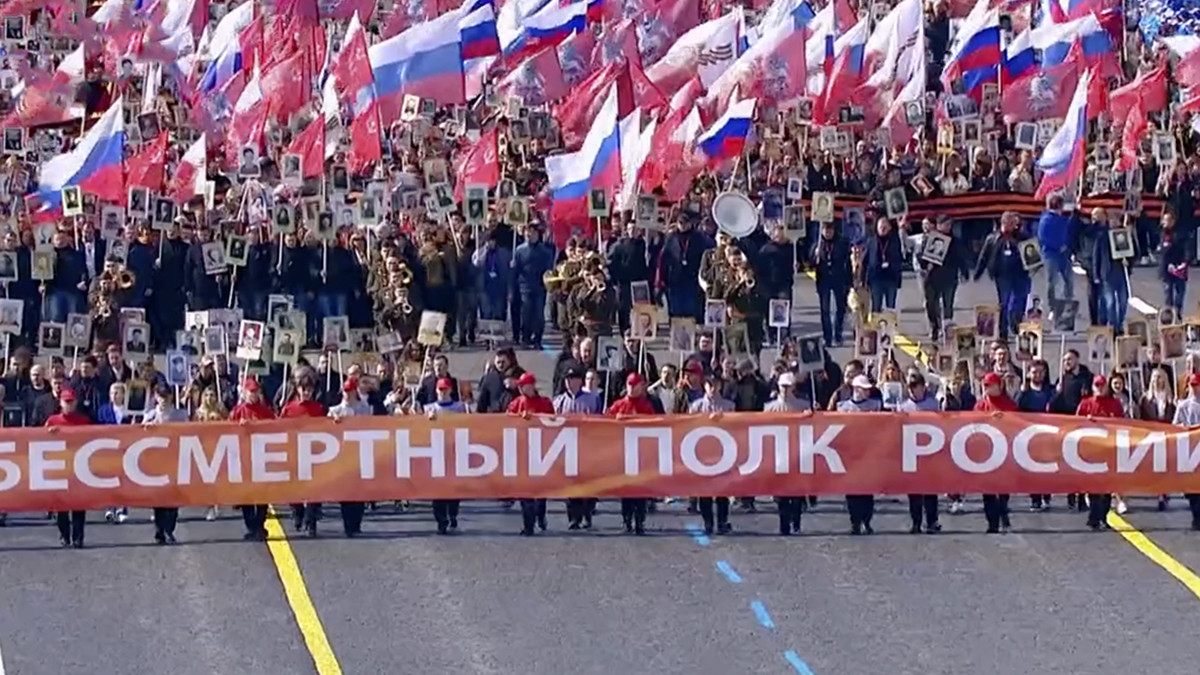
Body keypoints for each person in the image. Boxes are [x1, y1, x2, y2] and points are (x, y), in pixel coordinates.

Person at [553, 367, 602, 529]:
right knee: (570, 483)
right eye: (567, 379)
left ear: (580, 381)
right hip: (567, 447)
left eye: (573, 379)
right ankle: (573, 517)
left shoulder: (592, 399)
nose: (569, 382)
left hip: (587, 446)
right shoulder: (559, 401)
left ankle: (587, 513)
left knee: (588, 483)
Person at [607, 373, 657, 534]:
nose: (632, 388)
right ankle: (627, 520)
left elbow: (655, 425)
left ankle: (640, 521)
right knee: (626, 489)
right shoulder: (619, 405)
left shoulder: (646, 406)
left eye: (635, 385)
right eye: (630, 385)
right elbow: (604, 423)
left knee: (640, 490)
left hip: (641, 454)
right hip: (624, 453)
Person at [506, 373, 554, 535]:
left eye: (524, 385)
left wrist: (534, 419)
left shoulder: (545, 403)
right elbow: (505, 422)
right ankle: (528, 525)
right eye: (519, 385)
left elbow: (552, 421)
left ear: (532, 386)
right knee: (525, 491)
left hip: (541, 451)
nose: (520, 388)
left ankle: (540, 516)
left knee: (540, 491)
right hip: (522, 452)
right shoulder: (515, 404)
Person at [1076, 375, 1125, 530]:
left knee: (1107, 487)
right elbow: (1076, 424)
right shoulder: (1085, 404)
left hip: (1109, 449)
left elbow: (1122, 424)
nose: (1100, 388)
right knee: (1093, 486)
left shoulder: (1115, 404)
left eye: (1102, 385)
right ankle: (1094, 516)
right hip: (1091, 450)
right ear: (1092, 387)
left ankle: (1103, 516)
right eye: (1097, 385)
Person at [688, 374, 735, 535]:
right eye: (710, 385)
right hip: (702, 453)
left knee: (723, 491)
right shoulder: (696, 406)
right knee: (704, 492)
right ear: (705, 386)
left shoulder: (729, 406)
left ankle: (722, 521)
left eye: (716, 385)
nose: (713, 388)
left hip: (724, 452)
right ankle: (708, 522)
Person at [897, 372, 942, 533]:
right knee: (914, 490)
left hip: (930, 450)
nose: (912, 389)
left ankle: (932, 521)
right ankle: (916, 521)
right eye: (910, 386)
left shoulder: (933, 404)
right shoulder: (903, 406)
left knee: (930, 489)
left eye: (915, 386)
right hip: (911, 451)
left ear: (923, 387)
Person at [229, 378, 274, 540]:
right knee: (246, 494)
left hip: (262, 457)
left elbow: (275, 427)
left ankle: (260, 524)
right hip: (244, 458)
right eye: (251, 392)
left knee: (262, 494)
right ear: (245, 393)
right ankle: (251, 526)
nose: (253, 395)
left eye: (256, 392)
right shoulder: (238, 411)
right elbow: (227, 430)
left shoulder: (265, 411)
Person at [767, 372, 812, 534]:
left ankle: (796, 522)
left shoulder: (803, 406)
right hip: (779, 454)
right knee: (781, 493)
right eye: (782, 386)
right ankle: (784, 524)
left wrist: (812, 414)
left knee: (797, 492)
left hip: (798, 453)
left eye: (788, 386)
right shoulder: (770, 408)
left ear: (793, 387)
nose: (785, 389)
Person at [143, 387, 189, 543]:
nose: (163, 399)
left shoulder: (180, 415)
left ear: (171, 397)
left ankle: (169, 529)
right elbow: (138, 435)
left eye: (166, 396)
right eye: (160, 396)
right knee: (158, 498)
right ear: (156, 397)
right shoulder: (150, 415)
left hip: (175, 459)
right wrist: (146, 428)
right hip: (156, 461)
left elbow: (189, 432)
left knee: (173, 497)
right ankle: (159, 530)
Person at [836, 375, 881, 534]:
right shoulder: (843, 407)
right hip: (850, 455)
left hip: (868, 453)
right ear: (856, 389)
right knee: (852, 491)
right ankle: (855, 522)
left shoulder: (875, 405)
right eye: (864, 389)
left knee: (867, 491)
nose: (867, 392)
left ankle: (866, 521)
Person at [282, 379, 327, 536]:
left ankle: (311, 521)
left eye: (309, 390)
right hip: (294, 451)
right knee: (294, 486)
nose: (307, 393)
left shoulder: (318, 408)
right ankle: (298, 511)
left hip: (314, 453)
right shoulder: (289, 408)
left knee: (314, 488)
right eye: (304, 389)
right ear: (298, 390)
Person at [46, 388, 90, 548]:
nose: (69, 405)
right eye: (66, 402)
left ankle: (78, 537)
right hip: (59, 466)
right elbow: (39, 441)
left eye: (71, 402)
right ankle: (64, 535)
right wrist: (48, 433)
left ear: (76, 403)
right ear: (60, 403)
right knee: (61, 505)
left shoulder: (83, 420)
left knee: (79, 505)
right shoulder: (52, 421)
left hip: (78, 466)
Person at [973, 373, 1017, 533]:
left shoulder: (1009, 404)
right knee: (988, 489)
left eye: (989, 385)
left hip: (1005, 450)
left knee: (1003, 488)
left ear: (999, 386)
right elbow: (972, 424)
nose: (986, 388)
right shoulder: (980, 406)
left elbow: (1017, 424)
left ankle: (1003, 514)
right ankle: (992, 522)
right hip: (986, 451)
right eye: (985, 385)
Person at [328, 379, 372, 536]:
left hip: (360, 454)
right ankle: (348, 524)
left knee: (359, 491)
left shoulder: (364, 409)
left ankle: (356, 523)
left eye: (350, 391)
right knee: (345, 492)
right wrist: (332, 422)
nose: (347, 394)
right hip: (342, 456)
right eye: (345, 391)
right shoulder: (335, 410)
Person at [425, 377, 467, 534]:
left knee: (454, 488)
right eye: (440, 390)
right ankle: (441, 520)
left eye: (445, 389)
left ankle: (453, 514)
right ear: (436, 391)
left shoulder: (460, 407)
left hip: (454, 451)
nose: (443, 392)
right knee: (437, 490)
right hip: (436, 453)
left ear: (450, 390)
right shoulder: (429, 408)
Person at [1016, 359, 1054, 510]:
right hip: (1029, 434)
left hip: (1048, 434)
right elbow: (1016, 408)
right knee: (1032, 467)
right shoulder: (1024, 391)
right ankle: (1035, 498)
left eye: (1040, 372)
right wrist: (1021, 393)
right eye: (1034, 372)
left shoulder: (1051, 390)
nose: (1037, 375)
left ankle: (1046, 495)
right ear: (1029, 374)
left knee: (1047, 467)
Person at [1173, 374, 1200, 530]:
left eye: (1197, 385)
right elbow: (1175, 425)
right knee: (1191, 488)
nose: (1195, 388)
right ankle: (1196, 516)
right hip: (1189, 450)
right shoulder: (1183, 406)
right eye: (1192, 385)